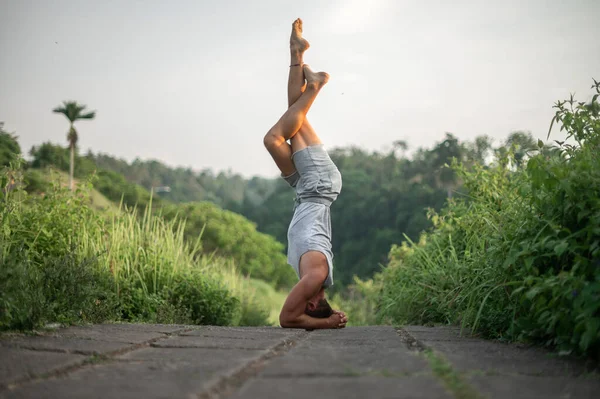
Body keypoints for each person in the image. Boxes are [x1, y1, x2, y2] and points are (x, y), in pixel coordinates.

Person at [263, 18, 348, 329]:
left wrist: (328, 316)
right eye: (307, 303)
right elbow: (287, 319)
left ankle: (296, 55)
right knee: (278, 132)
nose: (299, 297)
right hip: (319, 186)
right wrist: (327, 323)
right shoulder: (316, 276)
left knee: (287, 123)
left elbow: (296, 315)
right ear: (314, 301)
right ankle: (315, 84)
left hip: (305, 189)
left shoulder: (314, 277)